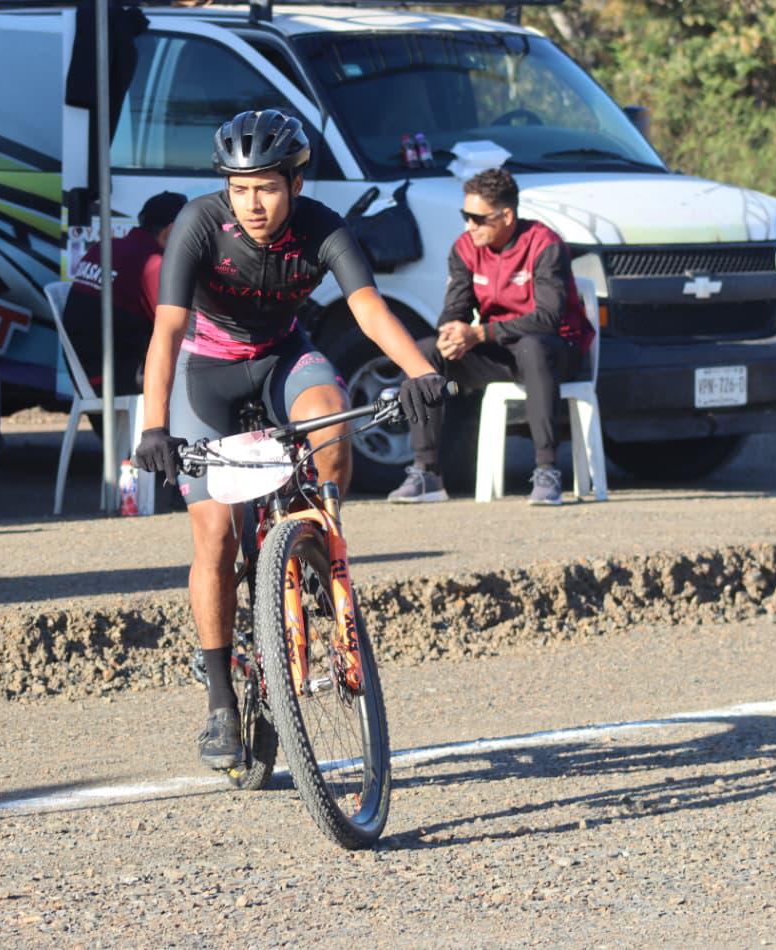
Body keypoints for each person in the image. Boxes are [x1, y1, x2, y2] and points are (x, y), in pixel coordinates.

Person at [132, 109, 448, 769]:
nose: (253, 202)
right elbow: (165, 332)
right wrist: (153, 427)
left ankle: (317, 550)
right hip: (206, 376)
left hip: (282, 360)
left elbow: (367, 308)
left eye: (267, 187)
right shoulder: (198, 223)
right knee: (215, 537)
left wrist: (421, 372)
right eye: (241, 187)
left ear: (296, 185)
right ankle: (221, 700)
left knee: (332, 420)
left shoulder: (322, 229)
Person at [387, 167, 594, 506]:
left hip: (556, 349)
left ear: (507, 215)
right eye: (465, 216)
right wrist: (450, 332)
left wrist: (482, 332)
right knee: (423, 354)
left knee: (533, 347)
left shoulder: (544, 245)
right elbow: (456, 306)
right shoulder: (466, 247)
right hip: (497, 348)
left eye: (477, 218)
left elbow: (548, 318)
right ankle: (427, 473)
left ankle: (547, 471)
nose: (469, 225)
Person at [62, 191, 186, 394]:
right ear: (171, 230)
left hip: (84, 373)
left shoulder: (103, 247)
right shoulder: (153, 264)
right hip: (116, 378)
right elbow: (177, 327)